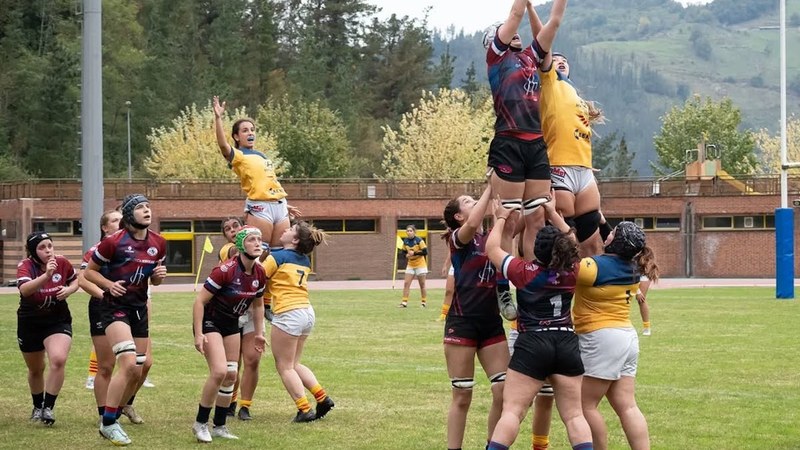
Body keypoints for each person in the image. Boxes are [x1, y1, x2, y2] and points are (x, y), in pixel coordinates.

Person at [485, 200, 593, 450]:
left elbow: (492, 248)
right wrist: (553, 212)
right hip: (566, 341)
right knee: (574, 416)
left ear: (536, 247)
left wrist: (500, 217)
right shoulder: (574, 269)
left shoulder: (523, 271)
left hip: (533, 341)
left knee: (512, 412)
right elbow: (574, 241)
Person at [84, 194, 167, 446]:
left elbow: (153, 279)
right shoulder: (113, 242)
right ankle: (108, 422)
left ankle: (115, 414)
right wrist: (109, 286)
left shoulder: (159, 243)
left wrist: (158, 276)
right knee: (128, 363)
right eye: (140, 207)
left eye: (148, 207)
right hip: (114, 307)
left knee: (138, 369)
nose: (146, 210)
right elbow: (88, 273)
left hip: (139, 308)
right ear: (130, 214)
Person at [573, 221, 659, 450]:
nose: (607, 234)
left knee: (584, 406)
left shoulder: (592, 267)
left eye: (611, 233)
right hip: (626, 337)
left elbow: (564, 262)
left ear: (614, 241)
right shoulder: (632, 267)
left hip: (602, 338)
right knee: (628, 406)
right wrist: (600, 222)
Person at [534, 0, 606, 257]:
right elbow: (545, 42)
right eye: (557, 60)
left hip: (583, 168)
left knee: (592, 244)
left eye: (566, 61)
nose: (561, 62)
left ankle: (592, 295)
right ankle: (559, 289)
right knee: (567, 242)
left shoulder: (575, 95)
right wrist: (531, 9)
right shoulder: (550, 83)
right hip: (560, 165)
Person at [483, 0, 552, 262]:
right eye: (506, 30)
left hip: (534, 142)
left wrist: (536, 10)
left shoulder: (527, 59)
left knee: (537, 216)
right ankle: (502, 287)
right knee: (508, 219)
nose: (515, 31)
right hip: (508, 141)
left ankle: (533, 285)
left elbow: (545, 32)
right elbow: (515, 13)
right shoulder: (496, 58)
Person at [441, 185, 509, 450]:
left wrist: (506, 211)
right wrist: (491, 187)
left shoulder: (491, 239)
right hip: (462, 322)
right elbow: (473, 221)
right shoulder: (458, 238)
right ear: (458, 216)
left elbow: (509, 237)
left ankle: (492, 446)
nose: (474, 201)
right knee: (462, 395)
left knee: (503, 392)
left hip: (492, 324)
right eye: (467, 201)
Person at [192, 226, 267, 443]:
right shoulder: (225, 270)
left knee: (232, 375)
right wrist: (199, 334)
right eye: (252, 239)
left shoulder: (260, 273)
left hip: (232, 323)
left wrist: (260, 333)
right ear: (242, 245)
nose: (257, 243)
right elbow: (199, 301)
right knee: (219, 372)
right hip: (210, 321)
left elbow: (259, 305)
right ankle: (200, 423)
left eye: (259, 239)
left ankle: (220, 426)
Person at [264, 220, 334, 423]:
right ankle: (322, 398)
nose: (285, 229)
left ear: (294, 240)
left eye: (290, 229)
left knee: (284, 367)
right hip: (306, 311)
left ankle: (304, 409)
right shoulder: (304, 260)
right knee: (294, 363)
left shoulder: (276, 257)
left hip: (289, 312)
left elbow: (258, 278)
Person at [212, 96, 300, 247]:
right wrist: (218, 118)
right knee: (260, 251)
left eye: (252, 130)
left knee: (281, 251)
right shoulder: (238, 155)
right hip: (260, 206)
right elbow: (223, 145)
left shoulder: (263, 156)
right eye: (245, 130)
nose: (250, 133)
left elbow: (269, 182)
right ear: (236, 137)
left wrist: (282, 203)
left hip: (279, 205)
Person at [16, 232, 79, 426]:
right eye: (42, 247)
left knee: (58, 359)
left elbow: (75, 280)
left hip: (57, 319)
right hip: (30, 322)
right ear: (33, 252)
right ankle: (37, 406)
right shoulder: (25, 266)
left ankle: (48, 408)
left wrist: (69, 289)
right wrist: (46, 275)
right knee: (36, 369)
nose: (48, 251)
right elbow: (25, 290)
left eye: (50, 246)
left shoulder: (62, 262)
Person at [398, 225, 428, 308]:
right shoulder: (405, 241)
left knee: (422, 284)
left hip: (420, 265)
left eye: (411, 231)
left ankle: (423, 302)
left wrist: (414, 253)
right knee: (406, 283)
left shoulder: (419, 240)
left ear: (414, 232)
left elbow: (425, 252)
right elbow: (403, 252)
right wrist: (406, 255)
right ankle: (404, 302)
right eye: (407, 231)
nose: (409, 232)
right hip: (410, 265)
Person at [437, 257, 454, 321]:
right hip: (457, 263)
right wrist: (445, 265)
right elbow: (451, 250)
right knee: (449, 291)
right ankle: (444, 315)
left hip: (470, 263)